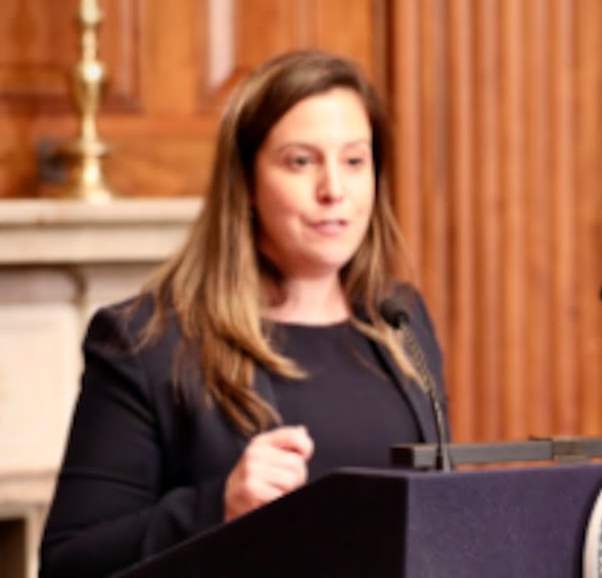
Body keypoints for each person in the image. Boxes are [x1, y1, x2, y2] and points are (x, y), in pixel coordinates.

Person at [38, 50, 448, 577]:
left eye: (354, 161)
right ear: (246, 183)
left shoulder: (400, 322)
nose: (334, 191)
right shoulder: (147, 342)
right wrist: (215, 509)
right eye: (301, 162)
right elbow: (68, 563)